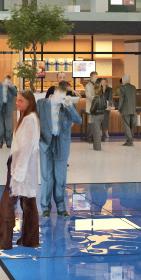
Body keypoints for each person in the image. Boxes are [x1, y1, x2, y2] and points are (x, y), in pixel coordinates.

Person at [0, 89, 41, 250]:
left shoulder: (29, 120)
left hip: (22, 168)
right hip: (21, 165)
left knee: (6, 203)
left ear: (29, 102)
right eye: (17, 100)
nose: (17, 103)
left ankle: (3, 241)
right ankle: (29, 240)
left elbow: (26, 149)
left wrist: (18, 172)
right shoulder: (26, 117)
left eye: (21, 101)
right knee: (29, 202)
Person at [37, 82, 81, 216]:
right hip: (46, 142)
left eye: (63, 97)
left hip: (62, 143)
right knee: (46, 176)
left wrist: (68, 104)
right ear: (51, 95)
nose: (59, 99)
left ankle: (61, 206)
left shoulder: (67, 106)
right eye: (57, 96)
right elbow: (34, 120)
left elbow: (78, 120)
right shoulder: (42, 103)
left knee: (60, 177)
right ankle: (45, 207)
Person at [0, 75, 16, 149]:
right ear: (4, 80)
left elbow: (17, 94)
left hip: (8, 107)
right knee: (0, 126)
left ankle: (8, 142)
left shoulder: (12, 87)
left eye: (9, 82)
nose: (7, 83)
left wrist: (12, 86)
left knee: (8, 126)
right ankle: (0, 143)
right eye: (6, 81)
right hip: (0, 107)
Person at [117, 73, 139, 147]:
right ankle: (130, 140)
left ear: (124, 80)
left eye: (122, 79)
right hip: (132, 109)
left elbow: (121, 100)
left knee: (126, 126)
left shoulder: (122, 88)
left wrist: (119, 109)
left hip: (125, 110)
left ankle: (129, 141)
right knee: (131, 125)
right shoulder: (134, 87)